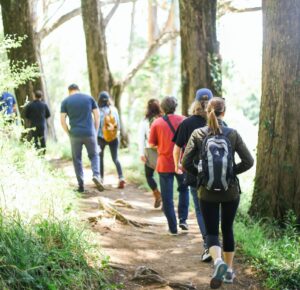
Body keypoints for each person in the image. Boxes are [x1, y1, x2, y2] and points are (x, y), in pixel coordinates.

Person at [182, 97, 254, 288]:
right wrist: (231, 173)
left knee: (212, 231)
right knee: (228, 229)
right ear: (224, 112)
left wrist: (202, 176)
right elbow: (249, 161)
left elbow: (185, 163)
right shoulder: (232, 134)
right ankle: (229, 271)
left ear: (207, 111)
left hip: (206, 192)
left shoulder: (198, 133)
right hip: (230, 191)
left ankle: (218, 262)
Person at [172, 88, 213, 262]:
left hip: (194, 173)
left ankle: (208, 245)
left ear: (195, 103)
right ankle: (216, 243)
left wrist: (177, 165)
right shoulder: (219, 123)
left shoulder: (187, 123)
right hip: (216, 174)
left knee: (200, 210)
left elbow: (177, 148)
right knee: (214, 209)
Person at [149, 96, 189, 235]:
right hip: (181, 163)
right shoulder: (184, 120)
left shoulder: (157, 123)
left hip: (164, 163)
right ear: (175, 106)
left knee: (167, 197)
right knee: (184, 190)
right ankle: (183, 220)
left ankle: (173, 228)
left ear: (162, 108)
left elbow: (152, 143)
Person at [60, 84, 104, 193]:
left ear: (69, 91)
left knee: (77, 159)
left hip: (75, 134)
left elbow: (62, 120)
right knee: (94, 156)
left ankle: (80, 186)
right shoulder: (89, 98)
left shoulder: (66, 101)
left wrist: (68, 133)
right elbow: (97, 116)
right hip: (89, 133)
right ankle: (96, 176)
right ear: (78, 90)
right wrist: (95, 131)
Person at [97, 91, 125, 189]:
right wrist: (117, 134)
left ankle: (100, 178)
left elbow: (96, 126)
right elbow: (118, 125)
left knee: (100, 157)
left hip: (101, 138)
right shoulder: (114, 110)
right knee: (115, 158)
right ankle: (121, 177)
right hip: (114, 138)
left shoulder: (97, 111)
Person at [138, 99, 162, 208]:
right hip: (163, 151)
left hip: (150, 151)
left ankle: (157, 193)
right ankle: (165, 201)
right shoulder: (163, 119)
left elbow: (141, 138)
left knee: (149, 175)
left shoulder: (145, 121)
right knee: (164, 177)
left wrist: (141, 153)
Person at [25, 90, 50, 154]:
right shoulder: (44, 105)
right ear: (41, 97)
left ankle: (38, 153)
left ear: (34, 96)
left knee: (35, 140)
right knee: (42, 139)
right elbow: (48, 115)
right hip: (41, 125)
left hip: (33, 125)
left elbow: (26, 115)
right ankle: (43, 153)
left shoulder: (30, 105)